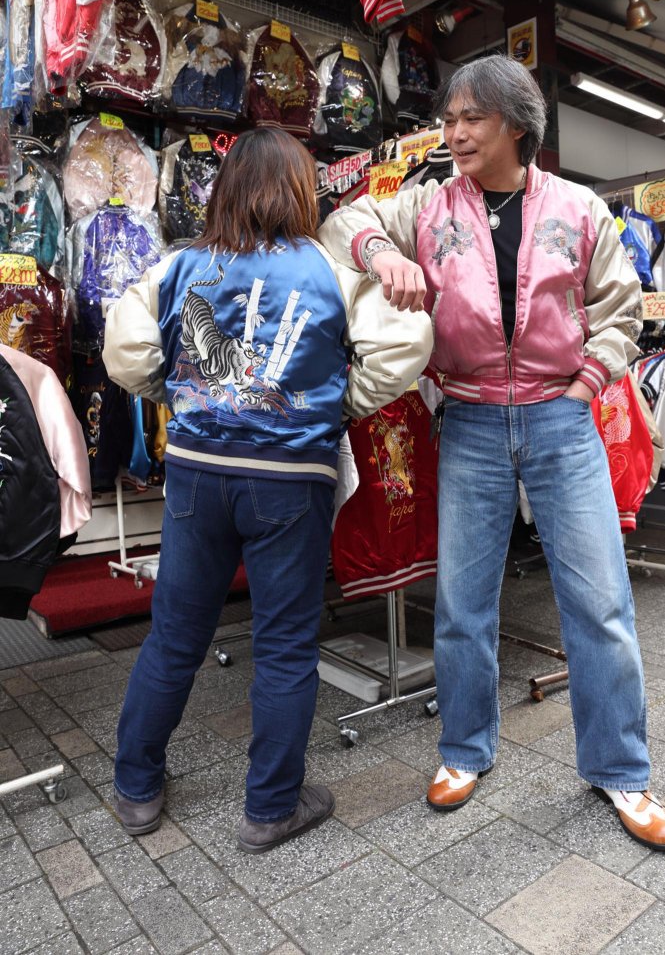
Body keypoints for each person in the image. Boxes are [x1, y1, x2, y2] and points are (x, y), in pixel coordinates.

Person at [318, 54, 665, 852]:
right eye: (448, 119)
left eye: (469, 117)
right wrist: (383, 255)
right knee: (463, 603)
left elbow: (620, 310)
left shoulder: (581, 209)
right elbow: (344, 223)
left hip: (561, 417)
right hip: (472, 421)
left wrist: (585, 386)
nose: (453, 132)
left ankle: (621, 767)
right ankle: (463, 750)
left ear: (518, 122)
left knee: (601, 602)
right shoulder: (427, 204)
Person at [103, 127, 432, 852]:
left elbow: (124, 348)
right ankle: (270, 806)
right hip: (290, 476)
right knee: (284, 643)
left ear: (222, 192)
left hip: (198, 470)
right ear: (300, 190)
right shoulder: (329, 268)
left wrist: (181, 395)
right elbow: (409, 340)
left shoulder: (180, 265)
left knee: (175, 635)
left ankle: (135, 787)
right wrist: (335, 404)